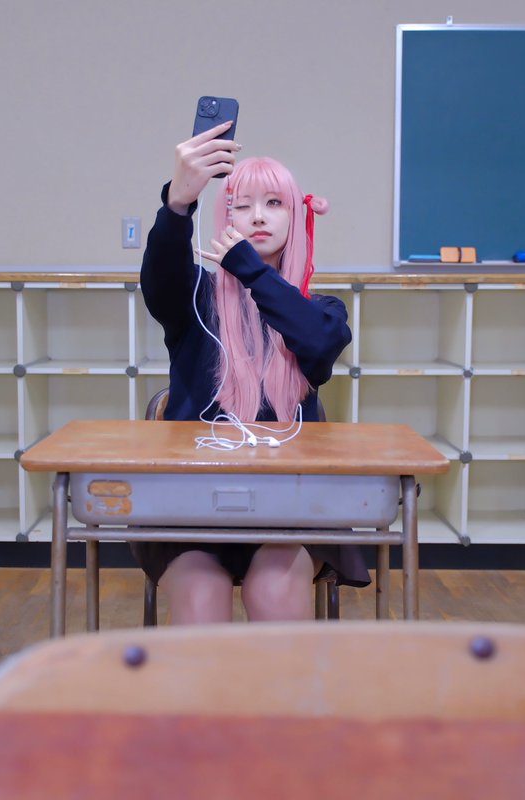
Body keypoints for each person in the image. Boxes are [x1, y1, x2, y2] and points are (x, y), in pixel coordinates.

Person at [134, 120, 368, 624]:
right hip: (191, 507)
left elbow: (317, 345)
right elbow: (159, 277)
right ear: (225, 216)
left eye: (274, 203)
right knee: (202, 594)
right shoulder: (195, 300)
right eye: (242, 205)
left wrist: (249, 268)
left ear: (296, 216)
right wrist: (178, 203)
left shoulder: (322, 311)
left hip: (290, 507)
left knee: (274, 589)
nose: (258, 216)